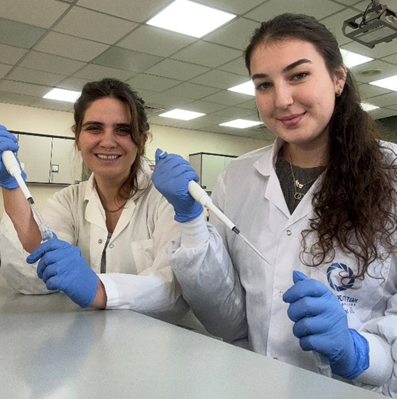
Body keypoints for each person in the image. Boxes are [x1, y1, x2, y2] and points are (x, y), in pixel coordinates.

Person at [152, 13, 397, 395]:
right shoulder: (237, 178)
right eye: (264, 84)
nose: (281, 99)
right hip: (253, 384)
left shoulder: (393, 175)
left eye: (298, 75)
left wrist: (360, 353)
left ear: (337, 78)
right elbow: (229, 321)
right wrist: (191, 220)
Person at [0, 78, 188, 323]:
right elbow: (31, 276)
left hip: (162, 346)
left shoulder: (166, 200)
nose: (108, 141)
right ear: (77, 137)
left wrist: (99, 289)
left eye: (122, 130)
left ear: (141, 141)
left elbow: (174, 292)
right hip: (89, 343)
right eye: (94, 128)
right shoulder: (68, 201)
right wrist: (11, 187)